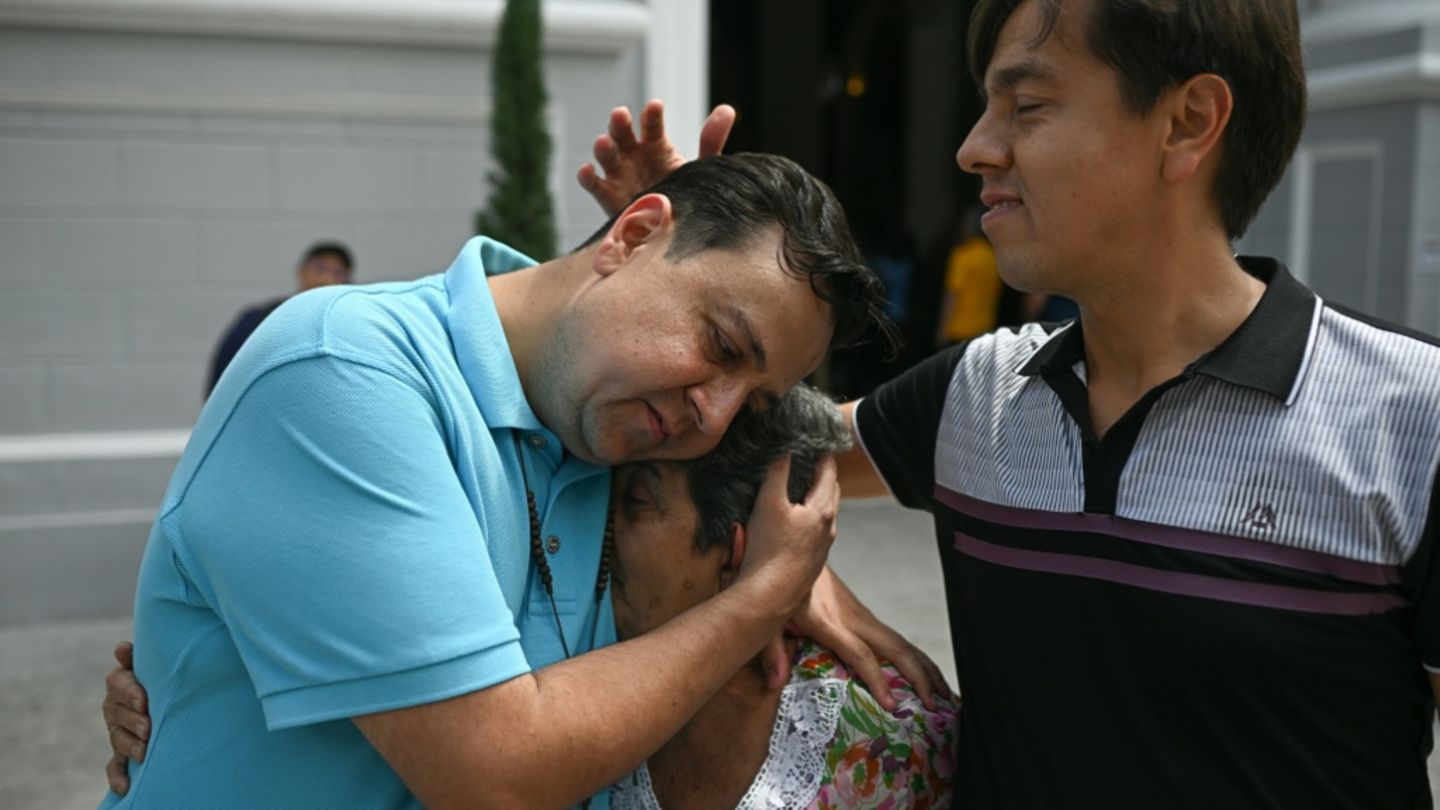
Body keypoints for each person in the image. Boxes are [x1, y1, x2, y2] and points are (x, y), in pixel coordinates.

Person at [570, 0, 1440, 805]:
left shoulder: (1415, 419)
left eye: (1026, 107)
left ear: (1188, 123)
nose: (976, 147)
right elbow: (718, 436)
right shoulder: (981, 394)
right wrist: (676, 277)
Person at [97, 152, 945, 809]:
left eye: (750, 401)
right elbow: (496, 780)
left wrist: (799, 568)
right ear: (634, 235)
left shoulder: (608, 431)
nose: (714, 420)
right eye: (722, 346)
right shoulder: (344, 369)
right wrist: (761, 596)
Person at [104, 384, 960, 809]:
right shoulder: (535, 661)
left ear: (740, 550)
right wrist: (190, 698)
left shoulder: (890, 749)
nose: (592, 534)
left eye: (632, 505)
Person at [206, 241, 354, 395]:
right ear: (301, 271)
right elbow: (224, 374)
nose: (324, 279)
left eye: (337, 272)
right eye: (319, 268)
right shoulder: (261, 318)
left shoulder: (344, 328)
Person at [935, 207, 1002, 347]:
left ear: (966, 229)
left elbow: (952, 295)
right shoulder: (993, 256)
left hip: (960, 330)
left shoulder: (962, 255)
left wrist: (942, 330)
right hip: (986, 329)